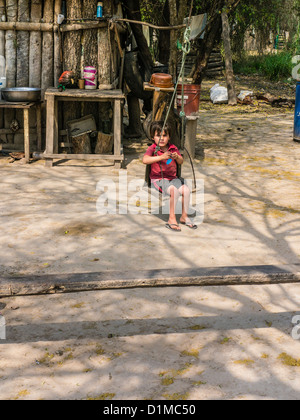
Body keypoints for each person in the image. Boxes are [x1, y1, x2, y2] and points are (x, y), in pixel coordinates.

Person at [143, 121, 197, 231]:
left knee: (186, 190)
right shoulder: (153, 149)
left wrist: (177, 157)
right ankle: (172, 218)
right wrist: (161, 157)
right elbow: (145, 160)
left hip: (173, 178)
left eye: (164, 135)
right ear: (153, 137)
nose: (161, 138)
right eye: (158, 136)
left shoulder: (172, 148)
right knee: (174, 191)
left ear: (169, 137)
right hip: (158, 179)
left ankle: (184, 216)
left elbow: (181, 162)